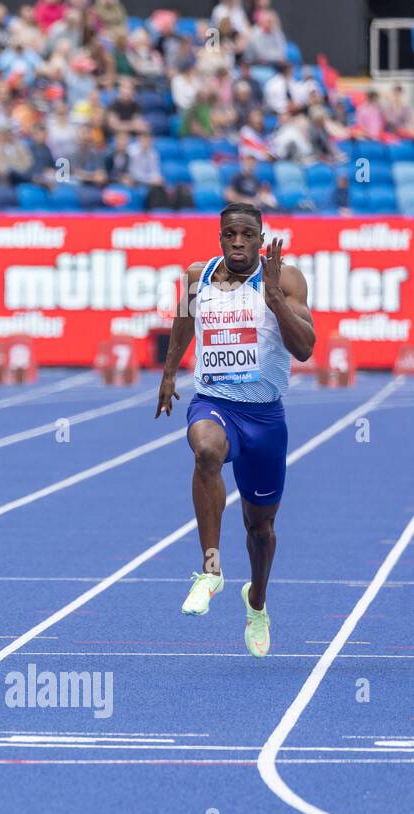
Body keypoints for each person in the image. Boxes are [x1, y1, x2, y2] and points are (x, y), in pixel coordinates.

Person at [155, 203, 316, 657]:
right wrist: (169, 375)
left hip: (264, 418)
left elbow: (304, 349)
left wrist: (273, 299)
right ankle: (209, 569)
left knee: (260, 529)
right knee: (205, 449)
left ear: (261, 238)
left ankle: (257, 603)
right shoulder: (196, 277)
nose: (239, 242)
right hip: (213, 402)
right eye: (231, 234)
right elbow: (184, 321)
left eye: (248, 235)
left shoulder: (286, 279)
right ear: (220, 237)